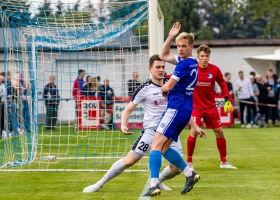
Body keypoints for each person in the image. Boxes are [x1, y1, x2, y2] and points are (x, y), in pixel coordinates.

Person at [83, 54, 183, 193]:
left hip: (170, 132)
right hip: (151, 132)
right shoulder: (144, 88)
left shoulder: (171, 84)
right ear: (150, 69)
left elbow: (181, 105)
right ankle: (99, 184)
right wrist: (124, 124)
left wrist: (193, 124)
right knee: (129, 161)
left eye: (163, 67)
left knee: (176, 168)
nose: (161, 70)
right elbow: (128, 109)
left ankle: (157, 181)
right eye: (157, 67)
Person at [143, 22, 207, 197]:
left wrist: (164, 89)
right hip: (184, 111)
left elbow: (167, 87)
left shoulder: (182, 66)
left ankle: (154, 184)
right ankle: (189, 173)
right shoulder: (191, 62)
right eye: (178, 46)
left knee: (155, 147)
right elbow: (163, 55)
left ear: (191, 47)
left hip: (175, 110)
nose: (179, 49)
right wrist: (170, 36)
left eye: (183, 46)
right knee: (163, 148)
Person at [185, 44, 237, 171]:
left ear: (209, 57)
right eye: (202, 56)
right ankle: (189, 163)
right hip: (196, 107)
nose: (204, 58)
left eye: (206, 56)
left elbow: (223, 84)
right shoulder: (192, 69)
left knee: (219, 131)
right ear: (197, 57)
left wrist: (226, 100)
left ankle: (224, 162)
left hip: (211, 107)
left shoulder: (214, 70)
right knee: (194, 132)